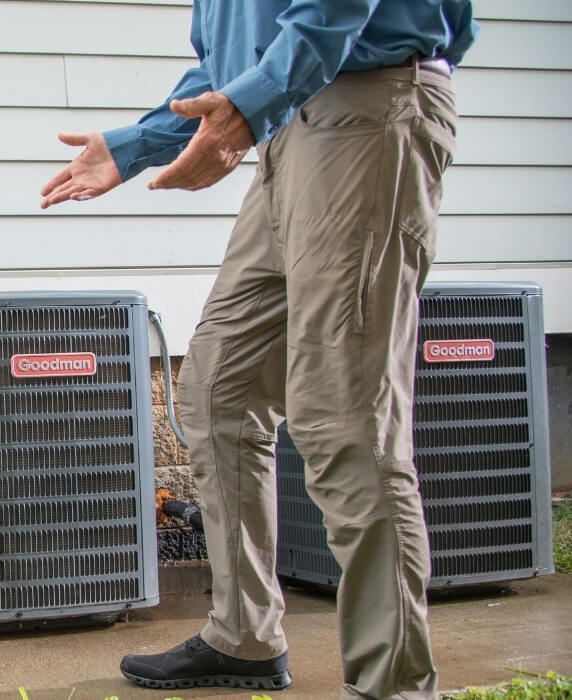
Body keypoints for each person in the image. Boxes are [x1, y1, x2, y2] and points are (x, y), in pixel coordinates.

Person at [40, 2, 476, 697]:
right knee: (220, 387)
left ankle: (392, 686)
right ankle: (244, 636)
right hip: (287, 128)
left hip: (366, 102)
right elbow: (226, 59)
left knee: (344, 414)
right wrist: (135, 144)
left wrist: (254, 100)